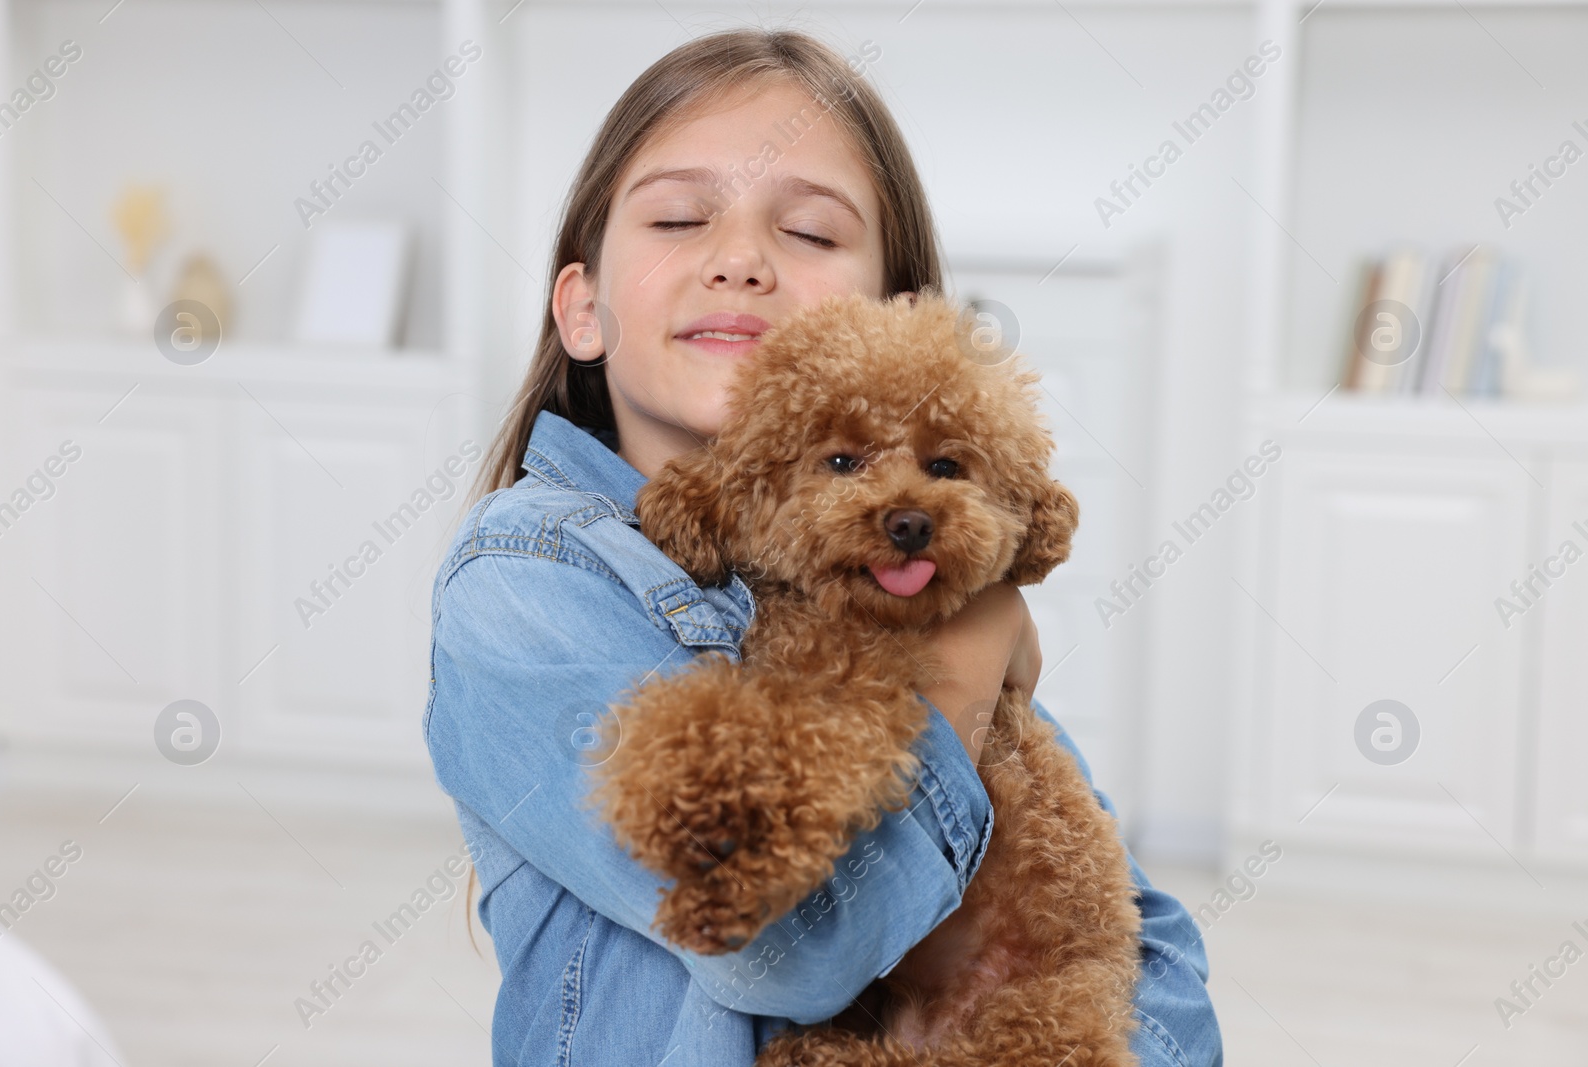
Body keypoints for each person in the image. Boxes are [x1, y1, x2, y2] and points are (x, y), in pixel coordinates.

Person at [422, 26, 1223, 1066]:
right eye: (677, 217)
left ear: (890, 318)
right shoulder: (525, 580)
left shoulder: (898, 579)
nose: (742, 261)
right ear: (581, 309)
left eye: (808, 232)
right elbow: (787, 952)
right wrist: (971, 654)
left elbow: (1150, 951)